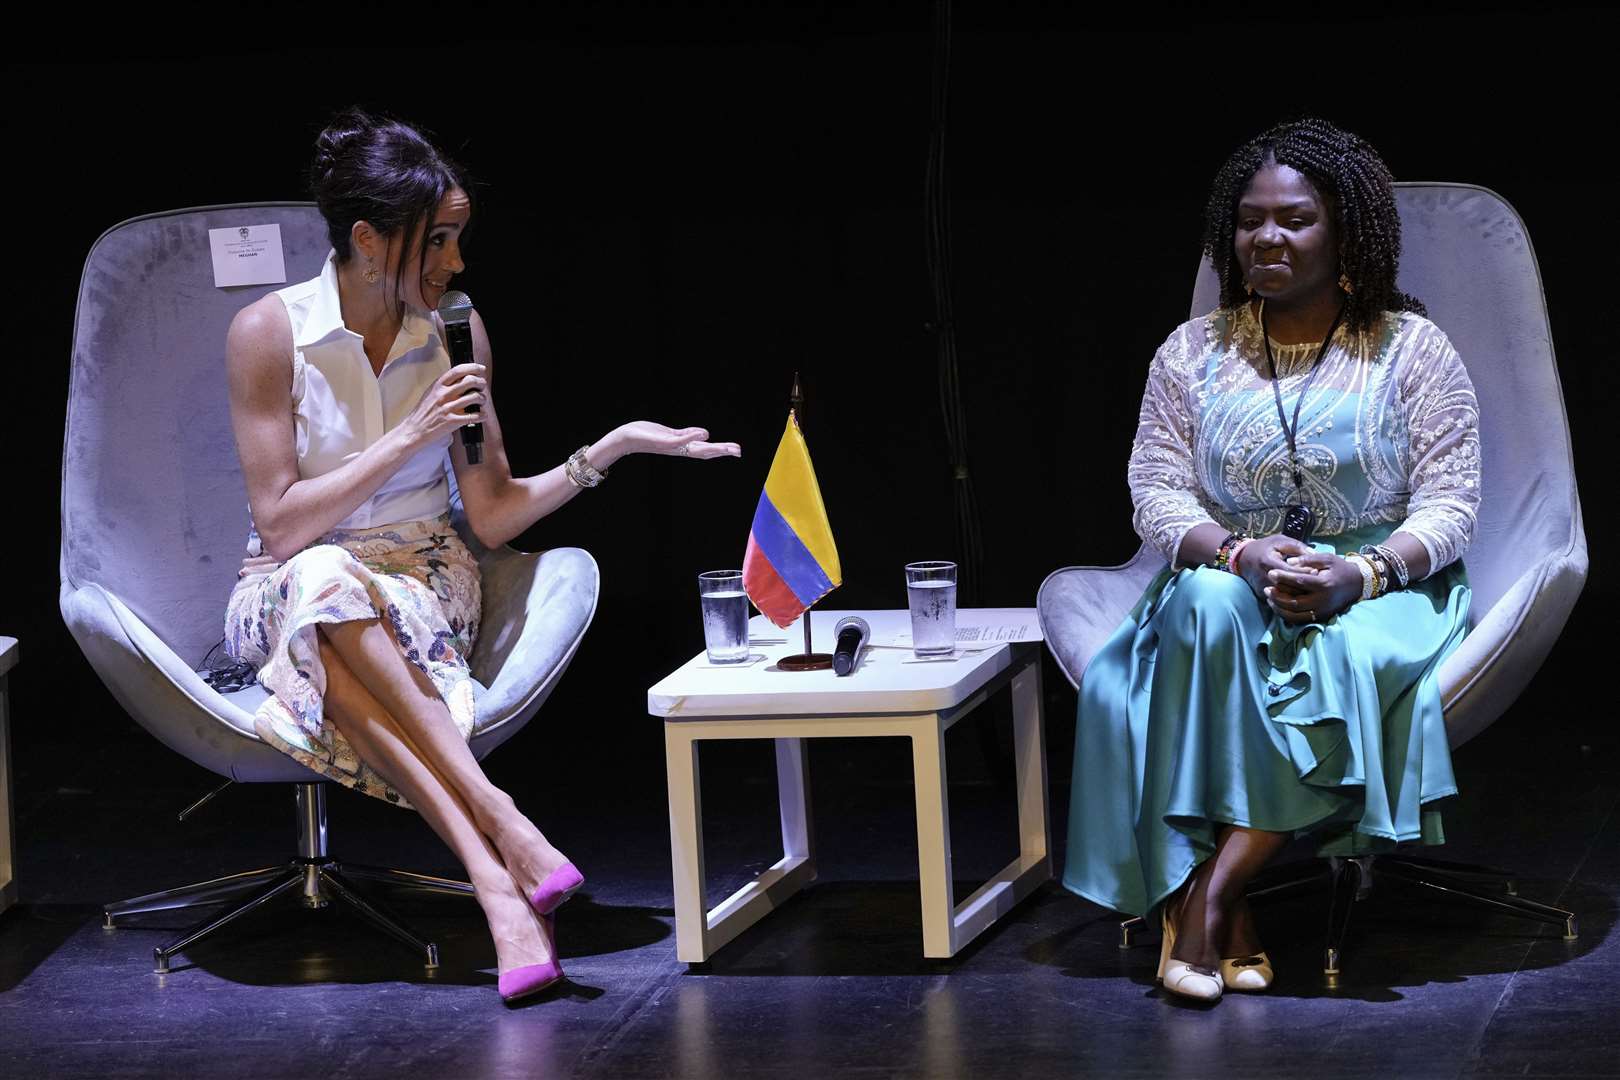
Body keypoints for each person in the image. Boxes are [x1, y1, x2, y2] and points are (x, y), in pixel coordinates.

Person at [222, 108, 740, 1005]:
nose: (457, 264)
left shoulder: (455, 332)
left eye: (460, 239)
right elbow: (279, 527)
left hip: (421, 579)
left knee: (342, 626)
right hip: (287, 583)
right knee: (320, 580)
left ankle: (499, 886)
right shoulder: (269, 334)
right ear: (370, 241)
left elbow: (493, 515)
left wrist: (607, 449)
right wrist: (408, 434)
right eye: (441, 240)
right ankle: (501, 840)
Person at [1061, 118, 1480, 1003]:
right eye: (1251, 221)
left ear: (1347, 232)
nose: (1268, 238)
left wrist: (1358, 574)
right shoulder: (1192, 353)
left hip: (1379, 587)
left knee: (1323, 658)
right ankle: (1225, 914)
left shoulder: (1414, 351)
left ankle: (1207, 898)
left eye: (1295, 220)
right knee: (1204, 609)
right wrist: (1240, 554)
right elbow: (1157, 492)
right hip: (1230, 574)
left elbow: (1453, 504)